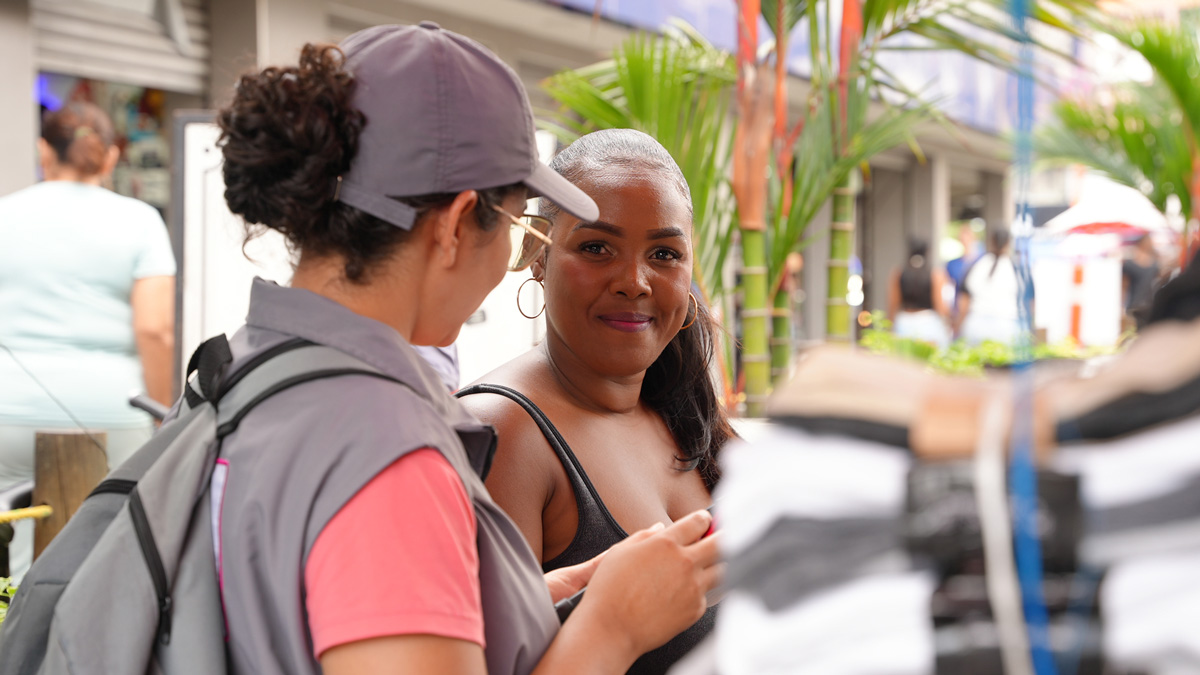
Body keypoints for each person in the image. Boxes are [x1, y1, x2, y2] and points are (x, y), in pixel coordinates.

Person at [211, 26, 720, 675]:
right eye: (514, 224)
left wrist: (540, 598)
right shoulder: (383, 451)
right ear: (456, 226)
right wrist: (613, 626)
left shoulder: (246, 380)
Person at [457, 128, 735, 675]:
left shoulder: (681, 408)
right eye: (596, 248)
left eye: (663, 253)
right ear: (538, 252)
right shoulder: (500, 431)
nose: (634, 281)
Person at [0, 102, 175, 582]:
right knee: (106, 554)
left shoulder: (4, 214)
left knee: (8, 557)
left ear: (43, 152)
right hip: (110, 413)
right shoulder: (141, 221)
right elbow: (155, 329)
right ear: (111, 157)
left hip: (7, 409)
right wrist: (161, 413)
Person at [955, 227, 1025, 345]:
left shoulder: (976, 265)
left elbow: (964, 302)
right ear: (1009, 242)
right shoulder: (1016, 268)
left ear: (990, 241)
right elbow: (1028, 301)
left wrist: (958, 326)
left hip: (976, 325)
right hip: (1007, 326)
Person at [887, 237, 950, 348]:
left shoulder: (899, 272)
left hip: (904, 321)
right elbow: (939, 304)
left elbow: (893, 303)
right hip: (928, 322)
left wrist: (890, 326)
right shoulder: (935, 274)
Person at [1122, 233, 1160, 319]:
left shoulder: (1155, 263)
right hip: (1134, 304)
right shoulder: (1129, 264)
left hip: (1149, 304)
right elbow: (1124, 286)